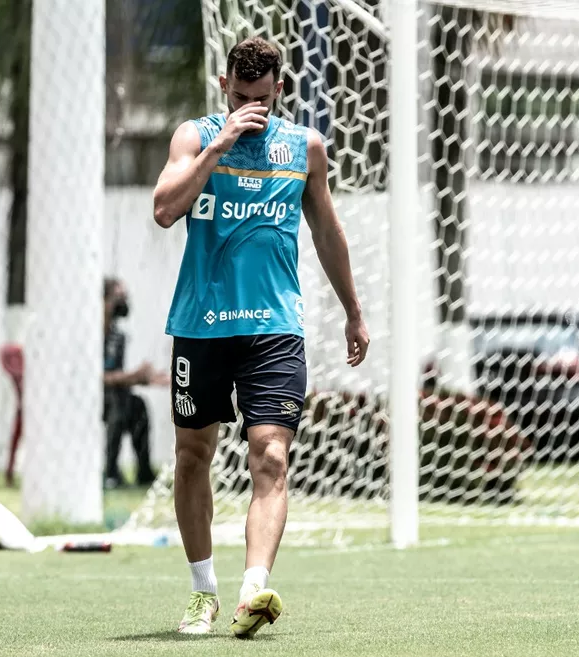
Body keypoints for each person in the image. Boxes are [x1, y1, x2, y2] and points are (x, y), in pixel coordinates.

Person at [152, 36, 369, 637]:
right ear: (224, 86)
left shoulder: (305, 147)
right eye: (241, 97)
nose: (252, 107)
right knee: (192, 457)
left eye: (263, 99)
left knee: (271, 455)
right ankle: (203, 592)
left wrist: (353, 311)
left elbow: (327, 231)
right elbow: (165, 209)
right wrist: (220, 145)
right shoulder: (194, 137)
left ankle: (253, 591)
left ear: (280, 89)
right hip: (201, 326)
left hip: (274, 329)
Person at [102, 277, 167, 489]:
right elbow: (96, 377)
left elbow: (117, 376)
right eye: (118, 297)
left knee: (138, 405)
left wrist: (150, 379)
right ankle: (110, 473)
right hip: (90, 398)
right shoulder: (90, 334)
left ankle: (144, 472)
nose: (123, 302)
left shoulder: (118, 336)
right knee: (118, 403)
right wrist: (134, 376)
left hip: (113, 395)